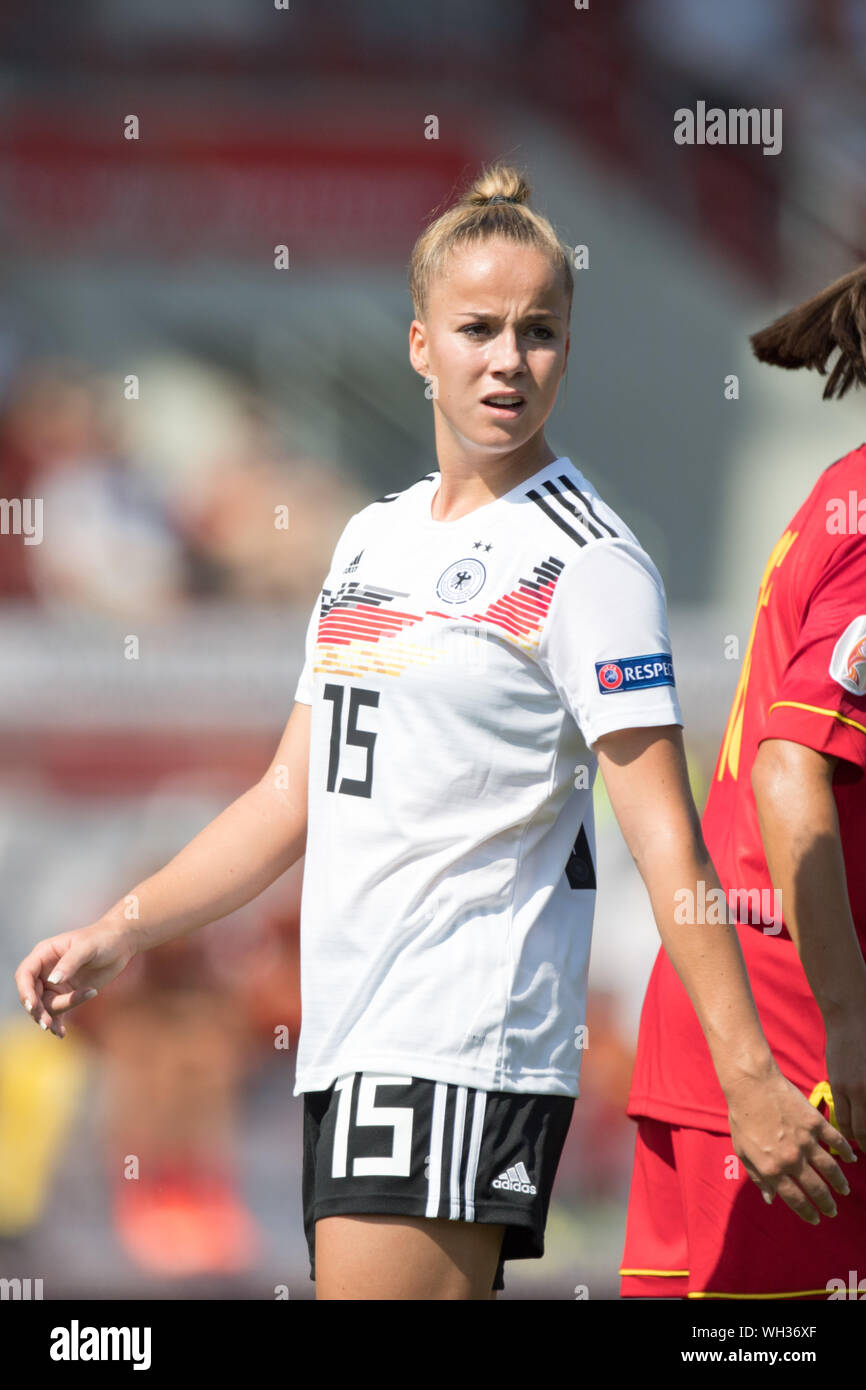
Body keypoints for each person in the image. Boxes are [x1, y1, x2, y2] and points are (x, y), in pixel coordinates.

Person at [14, 164, 855, 1302]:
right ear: (418, 346)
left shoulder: (587, 560)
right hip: (353, 1043)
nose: (508, 360)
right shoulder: (369, 540)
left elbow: (669, 848)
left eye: (538, 331)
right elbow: (285, 797)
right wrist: (120, 927)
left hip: (465, 1043)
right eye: (477, 328)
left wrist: (746, 1072)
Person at [620, 263, 866, 1301]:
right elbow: (786, 771)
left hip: (722, 1035)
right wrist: (849, 1021)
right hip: (795, 1056)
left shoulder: (840, 487)